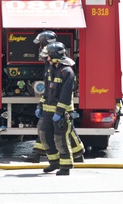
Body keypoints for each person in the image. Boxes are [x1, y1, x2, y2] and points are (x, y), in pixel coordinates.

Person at [26, 31, 85, 164]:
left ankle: (74, 154)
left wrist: (59, 110)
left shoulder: (58, 60)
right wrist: (41, 103)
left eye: (41, 44)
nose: (40, 48)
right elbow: (48, 84)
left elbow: (64, 89)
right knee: (51, 128)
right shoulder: (51, 59)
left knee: (62, 130)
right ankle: (77, 153)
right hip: (51, 102)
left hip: (61, 105)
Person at [37, 42, 76, 175]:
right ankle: (54, 163)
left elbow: (65, 95)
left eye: (48, 56)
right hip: (48, 112)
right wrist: (40, 105)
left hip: (60, 113)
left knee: (60, 139)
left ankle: (65, 166)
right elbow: (47, 90)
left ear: (54, 56)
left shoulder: (67, 72)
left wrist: (59, 112)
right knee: (43, 135)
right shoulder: (51, 69)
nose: (46, 58)